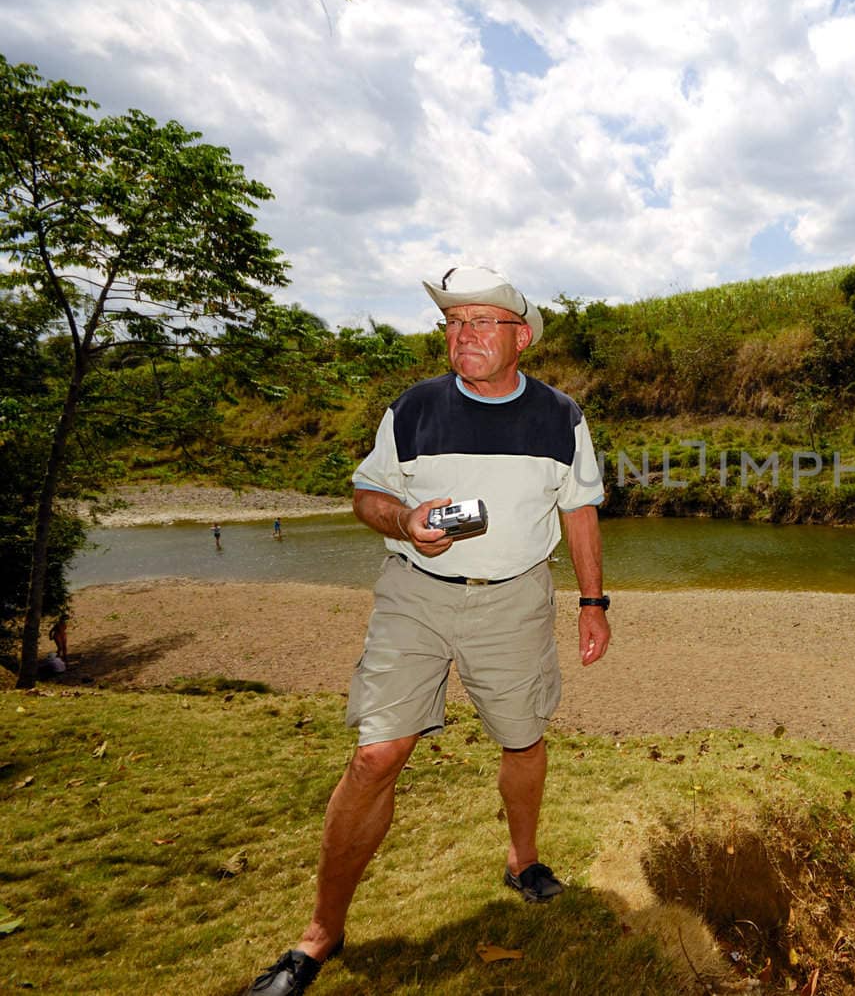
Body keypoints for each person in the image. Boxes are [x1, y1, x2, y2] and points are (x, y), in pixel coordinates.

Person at [248, 267, 612, 996]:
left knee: (523, 737)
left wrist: (594, 602)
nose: (462, 334)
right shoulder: (412, 409)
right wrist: (404, 521)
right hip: (415, 593)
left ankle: (522, 858)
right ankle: (320, 932)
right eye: (454, 322)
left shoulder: (561, 416)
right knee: (377, 752)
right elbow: (367, 494)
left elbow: (579, 511)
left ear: (521, 338)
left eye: (481, 322)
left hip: (514, 599)